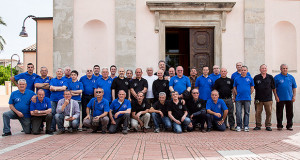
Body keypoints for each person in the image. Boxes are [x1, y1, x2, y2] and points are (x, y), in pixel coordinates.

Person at [274, 64, 297, 131]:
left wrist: (294, 96)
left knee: (290, 113)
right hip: (280, 98)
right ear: (280, 69)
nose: (285, 69)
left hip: (289, 98)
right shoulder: (276, 77)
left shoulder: (291, 77)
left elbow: (294, 87)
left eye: (286, 68)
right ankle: (279, 125)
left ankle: (289, 125)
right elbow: (274, 88)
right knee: (279, 113)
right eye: (283, 68)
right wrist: (276, 96)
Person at [253, 64, 275, 131]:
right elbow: (253, 87)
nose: (264, 69)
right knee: (258, 113)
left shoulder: (270, 77)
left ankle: (268, 125)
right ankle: (258, 125)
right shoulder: (256, 77)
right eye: (262, 68)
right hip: (258, 99)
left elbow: (273, 88)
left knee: (269, 112)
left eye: (265, 68)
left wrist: (276, 96)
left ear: (266, 69)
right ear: (260, 69)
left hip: (268, 99)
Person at [233, 66, 254, 132]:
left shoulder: (250, 78)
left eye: (244, 70)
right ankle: (239, 125)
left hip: (247, 98)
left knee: (246, 112)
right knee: (238, 112)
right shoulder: (236, 79)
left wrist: (248, 94)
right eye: (242, 70)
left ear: (247, 71)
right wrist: (236, 94)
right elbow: (234, 88)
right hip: (238, 98)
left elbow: (252, 88)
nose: (243, 71)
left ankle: (246, 126)